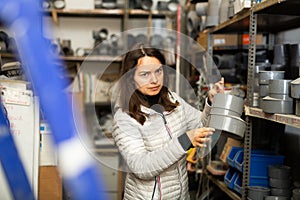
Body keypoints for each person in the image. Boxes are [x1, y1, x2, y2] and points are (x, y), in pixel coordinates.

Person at [112, 43, 224, 200]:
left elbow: (200, 125)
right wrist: (185, 141)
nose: (154, 80)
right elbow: (141, 168)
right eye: (145, 74)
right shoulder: (124, 118)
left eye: (158, 71)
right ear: (130, 78)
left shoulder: (172, 99)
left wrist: (211, 102)